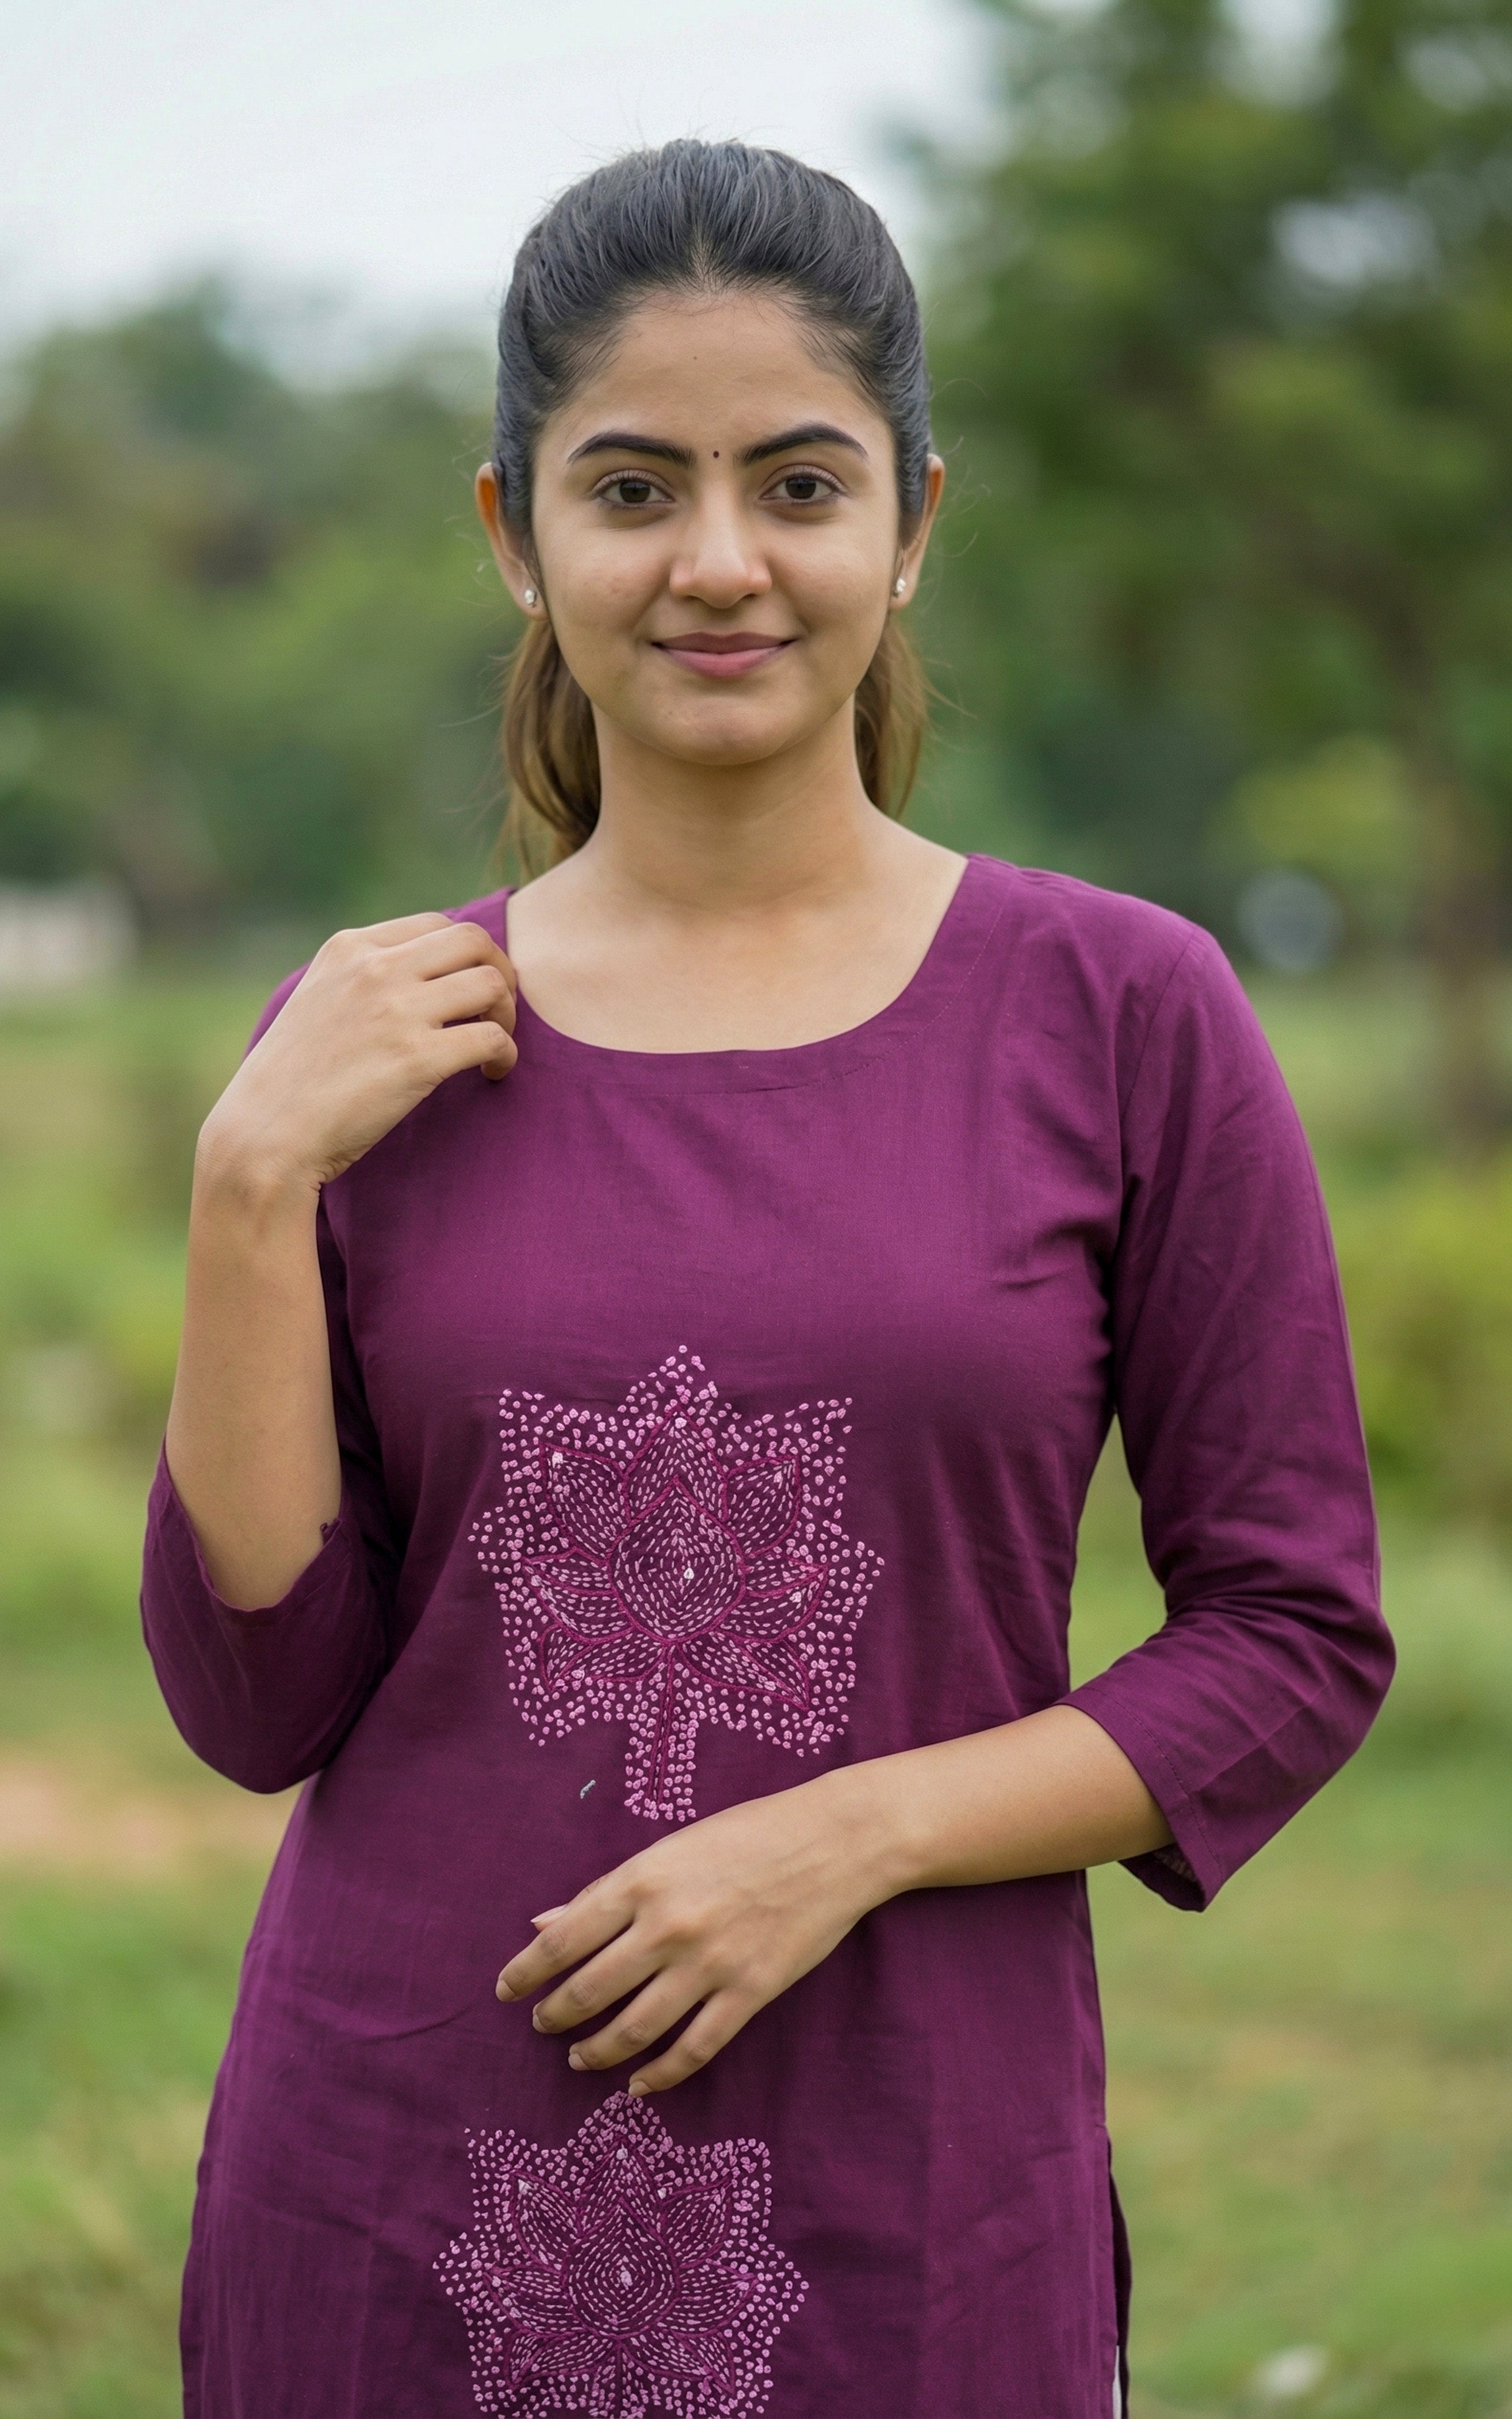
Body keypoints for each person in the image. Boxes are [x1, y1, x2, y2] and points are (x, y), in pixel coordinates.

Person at [141, 139, 1392, 2419]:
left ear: (910, 522)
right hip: (393, 2184)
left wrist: (853, 1832)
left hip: (914, 2190)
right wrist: (245, 1184)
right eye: (633, 490)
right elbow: (254, 1704)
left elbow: (1291, 1635)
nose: (719, 563)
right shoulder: (366, 1046)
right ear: (516, 537)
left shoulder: (1118, 1010)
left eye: (795, 484)